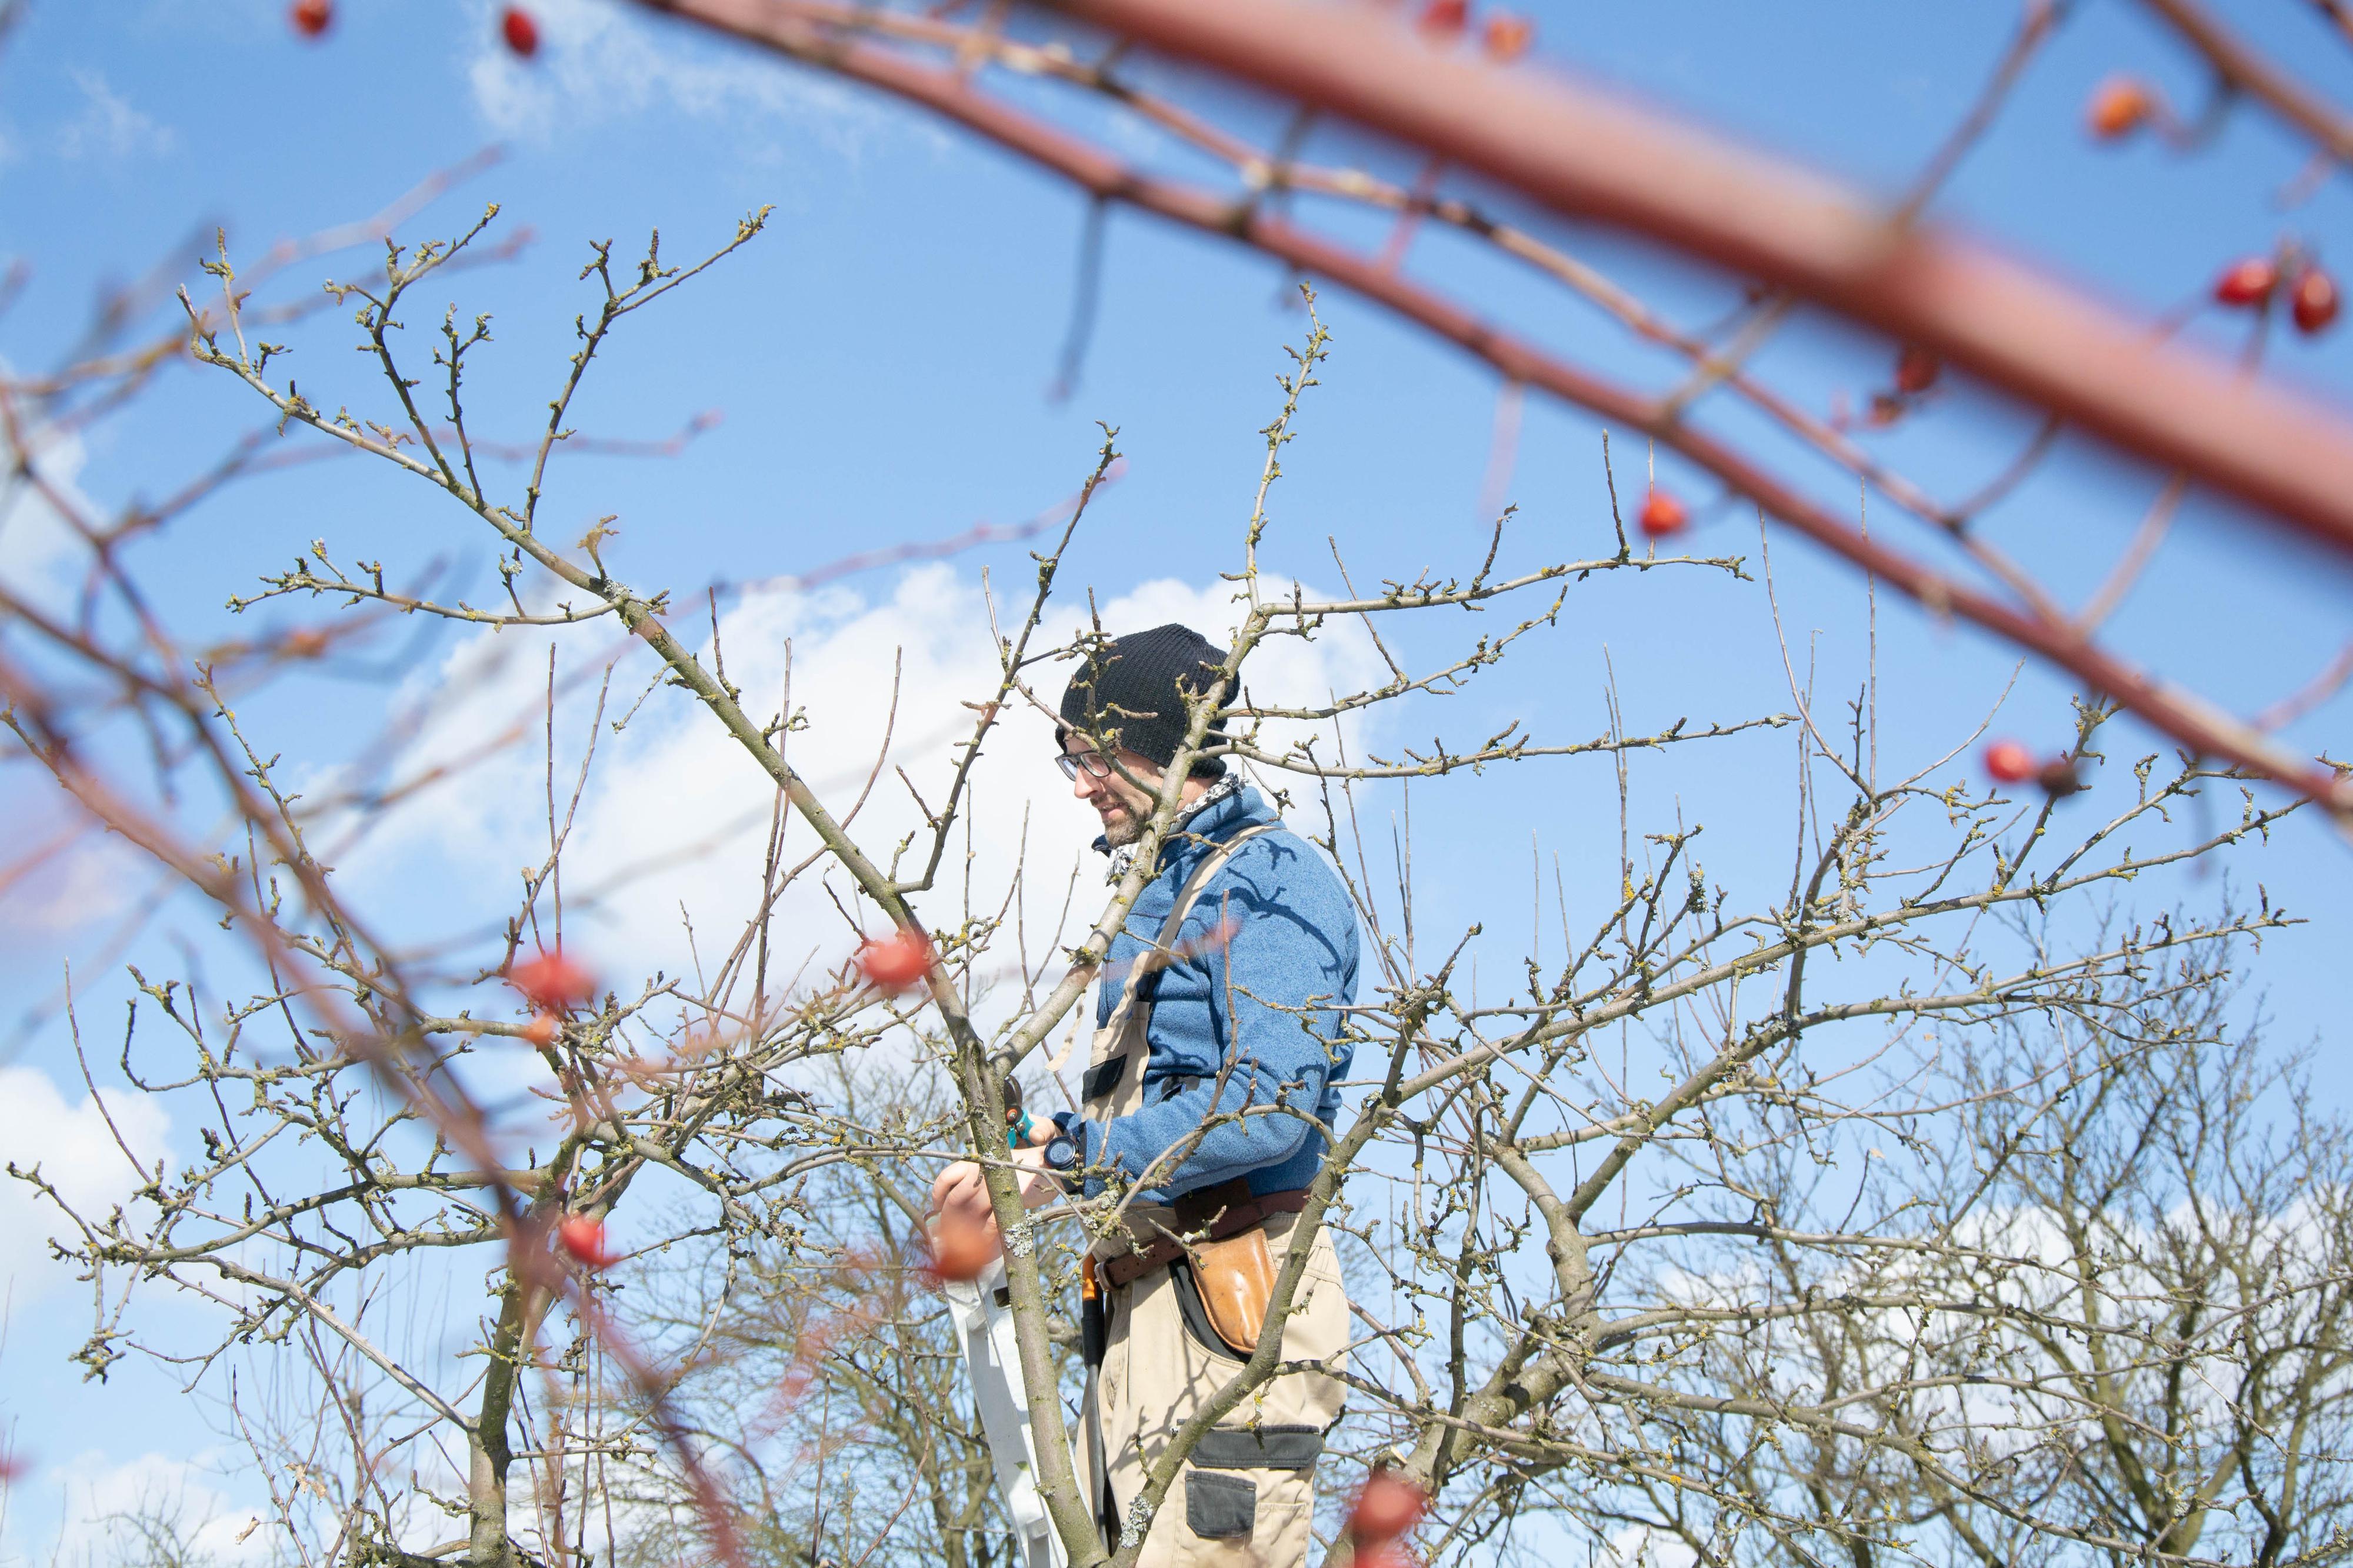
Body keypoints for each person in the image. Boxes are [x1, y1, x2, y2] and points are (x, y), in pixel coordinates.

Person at [931, 623, 1359, 1566]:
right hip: (1143, 1307)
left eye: (1093, 756)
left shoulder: (1271, 881)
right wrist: (1050, 1139)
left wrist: (1072, 1161)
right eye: (1070, 759)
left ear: (1159, 743)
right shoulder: (1168, 889)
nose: (1080, 784)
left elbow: (1268, 1106)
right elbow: (1168, 1094)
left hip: (1225, 1303)